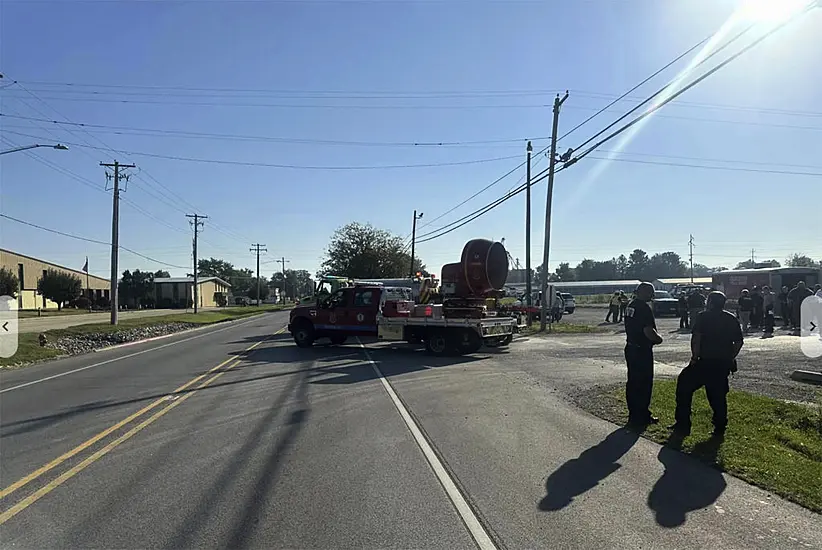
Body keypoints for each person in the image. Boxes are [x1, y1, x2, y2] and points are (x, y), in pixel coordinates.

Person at [671, 291, 743, 437]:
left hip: (703, 361)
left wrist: (694, 357)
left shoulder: (703, 317)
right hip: (721, 364)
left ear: (709, 302)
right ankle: (720, 426)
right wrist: (730, 357)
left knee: (684, 387)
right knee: (718, 396)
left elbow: (697, 338)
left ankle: (683, 423)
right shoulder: (731, 318)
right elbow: (739, 342)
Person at [623, 282, 663, 427]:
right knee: (644, 383)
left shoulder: (631, 305)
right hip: (642, 350)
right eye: (651, 292)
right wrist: (658, 339)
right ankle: (642, 416)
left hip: (631, 347)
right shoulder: (644, 308)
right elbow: (648, 331)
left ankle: (633, 414)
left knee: (633, 382)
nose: (652, 295)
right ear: (645, 292)